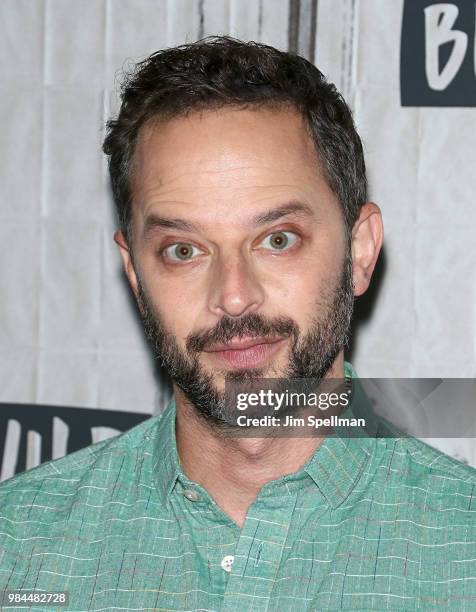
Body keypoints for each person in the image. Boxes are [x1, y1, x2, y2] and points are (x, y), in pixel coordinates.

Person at [0, 36, 475, 611]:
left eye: (277, 240)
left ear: (359, 252)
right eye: (183, 250)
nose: (232, 297)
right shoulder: (17, 542)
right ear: (134, 271)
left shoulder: (462, 550)